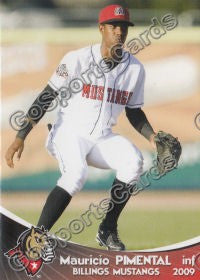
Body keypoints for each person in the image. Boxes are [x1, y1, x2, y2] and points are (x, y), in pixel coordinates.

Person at [5, 4, 157, 251]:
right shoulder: (77, 59)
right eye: (113, 26)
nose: (119, 31)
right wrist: (20, 135)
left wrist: (153, 136)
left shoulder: (135, 69)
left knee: (133, 160)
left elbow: (134, 111)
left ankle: (107, 230)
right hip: (69, 132)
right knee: (76, 173)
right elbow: (46, 97)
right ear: (101, 28)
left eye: (124, 27)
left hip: (102, 137)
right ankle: (36, 239)